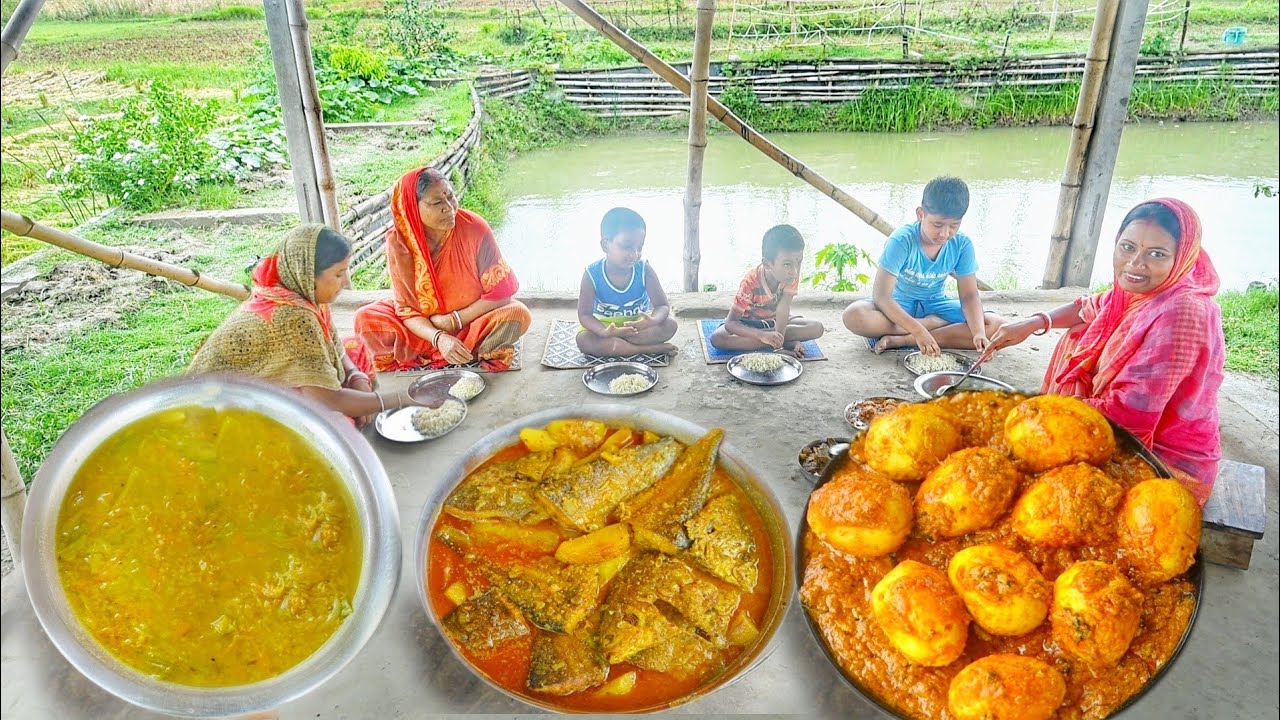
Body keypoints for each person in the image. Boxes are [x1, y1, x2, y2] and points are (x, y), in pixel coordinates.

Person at [988, 198, 1225, 505]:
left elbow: (1130, 418)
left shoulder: (1182, 313)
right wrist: (1032, 323)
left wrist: (1046, 412)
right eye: (1127, 247)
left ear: (1182, 257)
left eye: (1156, 254)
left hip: (1163, 461)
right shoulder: (1139, 291)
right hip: (1120, 427)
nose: (1135, 263)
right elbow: (1088, 307)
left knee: (1033, 493)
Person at [187, 224, 412, 425]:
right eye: (338, 274)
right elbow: (328, 399)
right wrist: (401, 398)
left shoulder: (300, 293)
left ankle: (358, 405)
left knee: (355, 348)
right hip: (222, 414)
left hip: (270, 386)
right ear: (308, 276)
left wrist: (356, 376)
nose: (345, 282)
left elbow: (336, 348)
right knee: (333, 426)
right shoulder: (292, 317)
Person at [354, 167, 531, 372]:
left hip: (471, 322)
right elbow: (407, 311)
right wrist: (439, 338)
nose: (449, 207)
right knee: (365, 318)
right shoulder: (399, 243)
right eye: (437, 202)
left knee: (518, 314)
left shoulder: (475, 228)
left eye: (450, 196)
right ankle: (454, 353)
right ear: (413, 207)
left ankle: (454, 351)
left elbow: (502, 294)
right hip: (423, 329)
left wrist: (454, 320)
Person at [842, 176, 1003, 356]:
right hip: (900, 305)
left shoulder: (962, 245)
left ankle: (903, 339)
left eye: (954, 226)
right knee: (854, 316)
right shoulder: (902, 240)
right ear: (920, 214)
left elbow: (969, 295)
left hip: (936, 304)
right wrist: (919, 329)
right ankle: (933, 325)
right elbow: (881, 297)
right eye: (937, 224)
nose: (944, 233)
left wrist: (979, 333)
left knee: (995, 325)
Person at [575, 207, 679, 357]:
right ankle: (649, 349)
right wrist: (604, 332)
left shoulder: (645, 270)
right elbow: (585, 315)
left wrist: (651, 320)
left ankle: (620, 346)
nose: (634, 254)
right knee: (584, 340)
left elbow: (662, 306)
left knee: (670, 325)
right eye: (626, 246)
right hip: (606, 325)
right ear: (605, 245)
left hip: (638, 326)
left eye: (639, 247)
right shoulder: (591, 274)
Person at [709, 224, 825, 356]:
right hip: (749, 324)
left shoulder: (790, 275)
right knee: (718, 339)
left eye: (799, 262)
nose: (794, 271)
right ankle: (783, 340)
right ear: (767, 264)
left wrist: (778, 344)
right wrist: (761, 335)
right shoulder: (750, 282)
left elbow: (783, 309)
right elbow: (730, 323)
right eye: (787, 264)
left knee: (817, 328)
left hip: (777, 322)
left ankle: (775, 340)